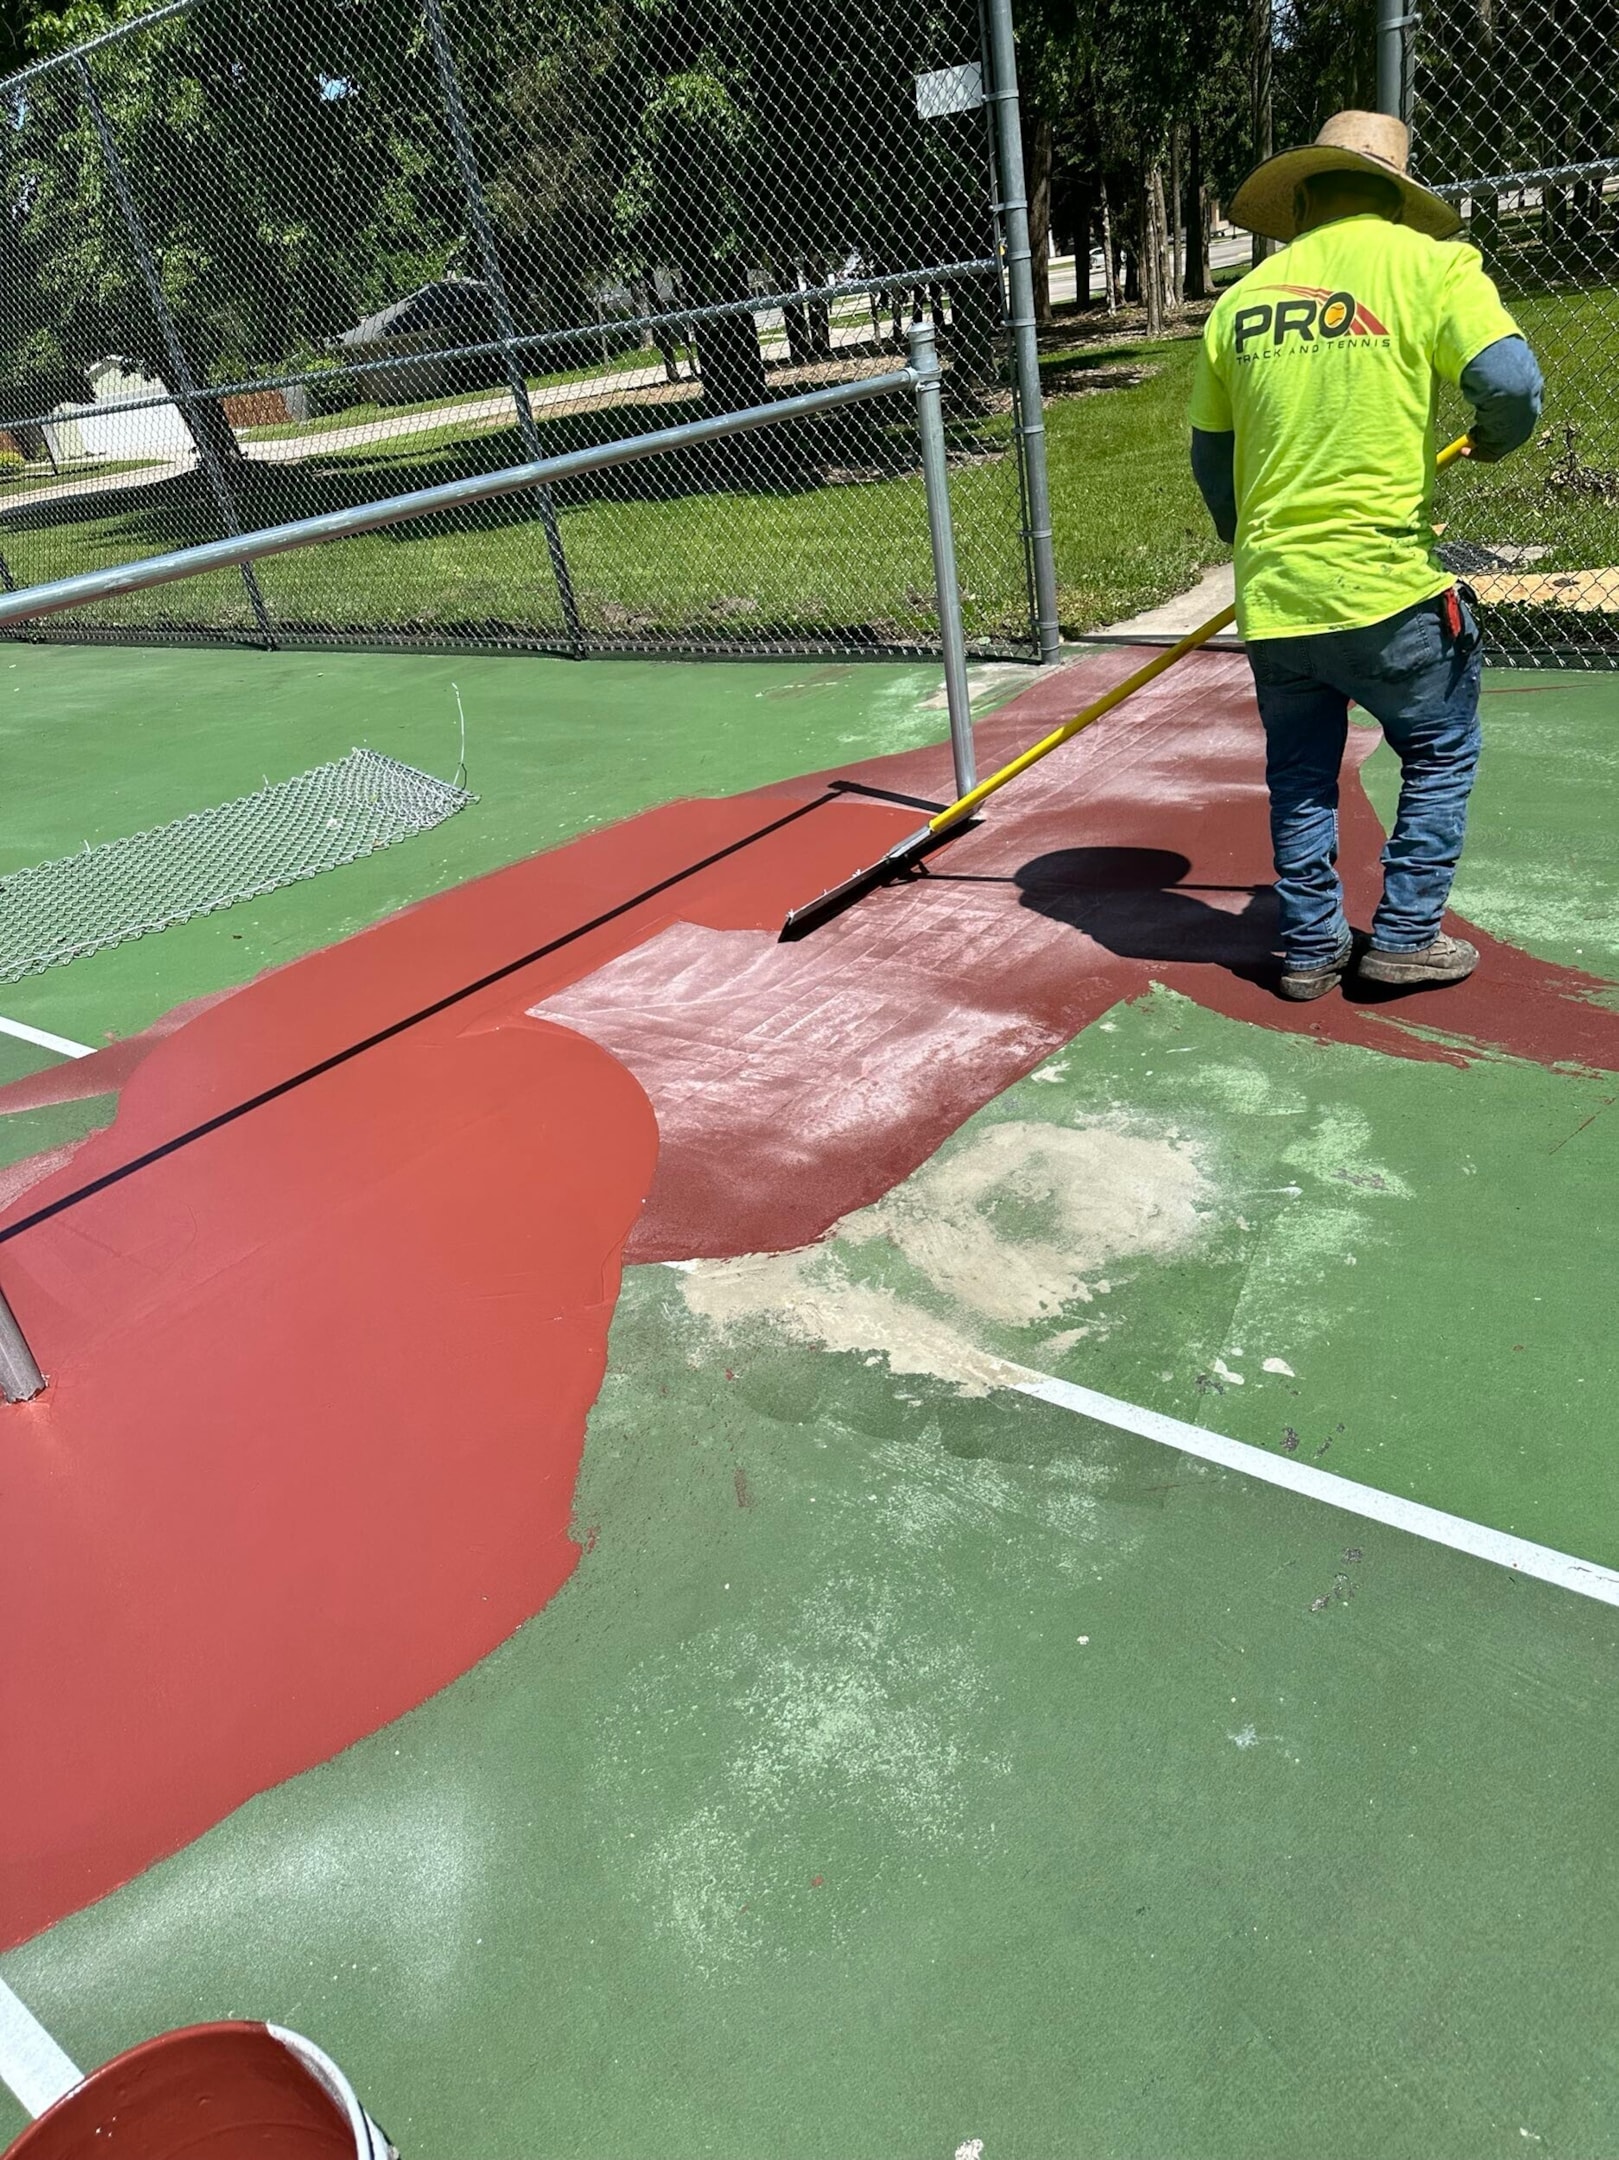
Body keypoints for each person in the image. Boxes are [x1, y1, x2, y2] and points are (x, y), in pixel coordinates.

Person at [1189, 111, 1543, 1000]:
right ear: (1392, 197)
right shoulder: (1429, 265)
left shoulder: (1238, 303)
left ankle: (1310, 947)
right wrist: (1497, 439)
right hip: (1386, 588)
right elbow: (1507, 384)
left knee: (1300, 773)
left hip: (1276, 596)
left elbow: (1209, 455)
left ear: (1302, 198)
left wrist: (1256, 542)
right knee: (1436, 748)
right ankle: (1404, 937)